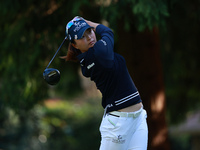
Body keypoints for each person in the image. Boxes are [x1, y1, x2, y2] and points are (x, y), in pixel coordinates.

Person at [62, 16, 148, 150]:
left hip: (138, 118)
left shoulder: (94, 54)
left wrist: (84, 24)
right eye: (82, 36)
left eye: (89, 31)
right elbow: (108, 32)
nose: (90, 37)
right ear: (74, 44)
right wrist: (88, 23)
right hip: (118, 124)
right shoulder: (99, 53)